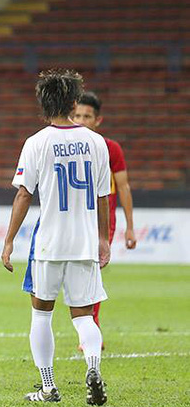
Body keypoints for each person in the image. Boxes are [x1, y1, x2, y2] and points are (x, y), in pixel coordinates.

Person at [1, 69, 110, 406]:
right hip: (84, 242)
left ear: (43, 104)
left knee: (41, 314)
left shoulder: (36, 142)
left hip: (48, 242)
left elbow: (23, 195)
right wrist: (103, 238)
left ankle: (48, 387)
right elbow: (104, 195)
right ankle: (92, 366)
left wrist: (8, 242)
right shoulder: (96, 142)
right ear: (74, 102)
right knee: (83, 315)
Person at [73, 91, 137, 339]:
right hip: (73, 219)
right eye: (77, 115)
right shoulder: (65, 148)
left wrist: (130, 227)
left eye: (87, 116)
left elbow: (123, 187)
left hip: (102, 222)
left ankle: (92, 328)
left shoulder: (110, 149)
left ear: (97, 120)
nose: (81, 120)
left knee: (92, 272)